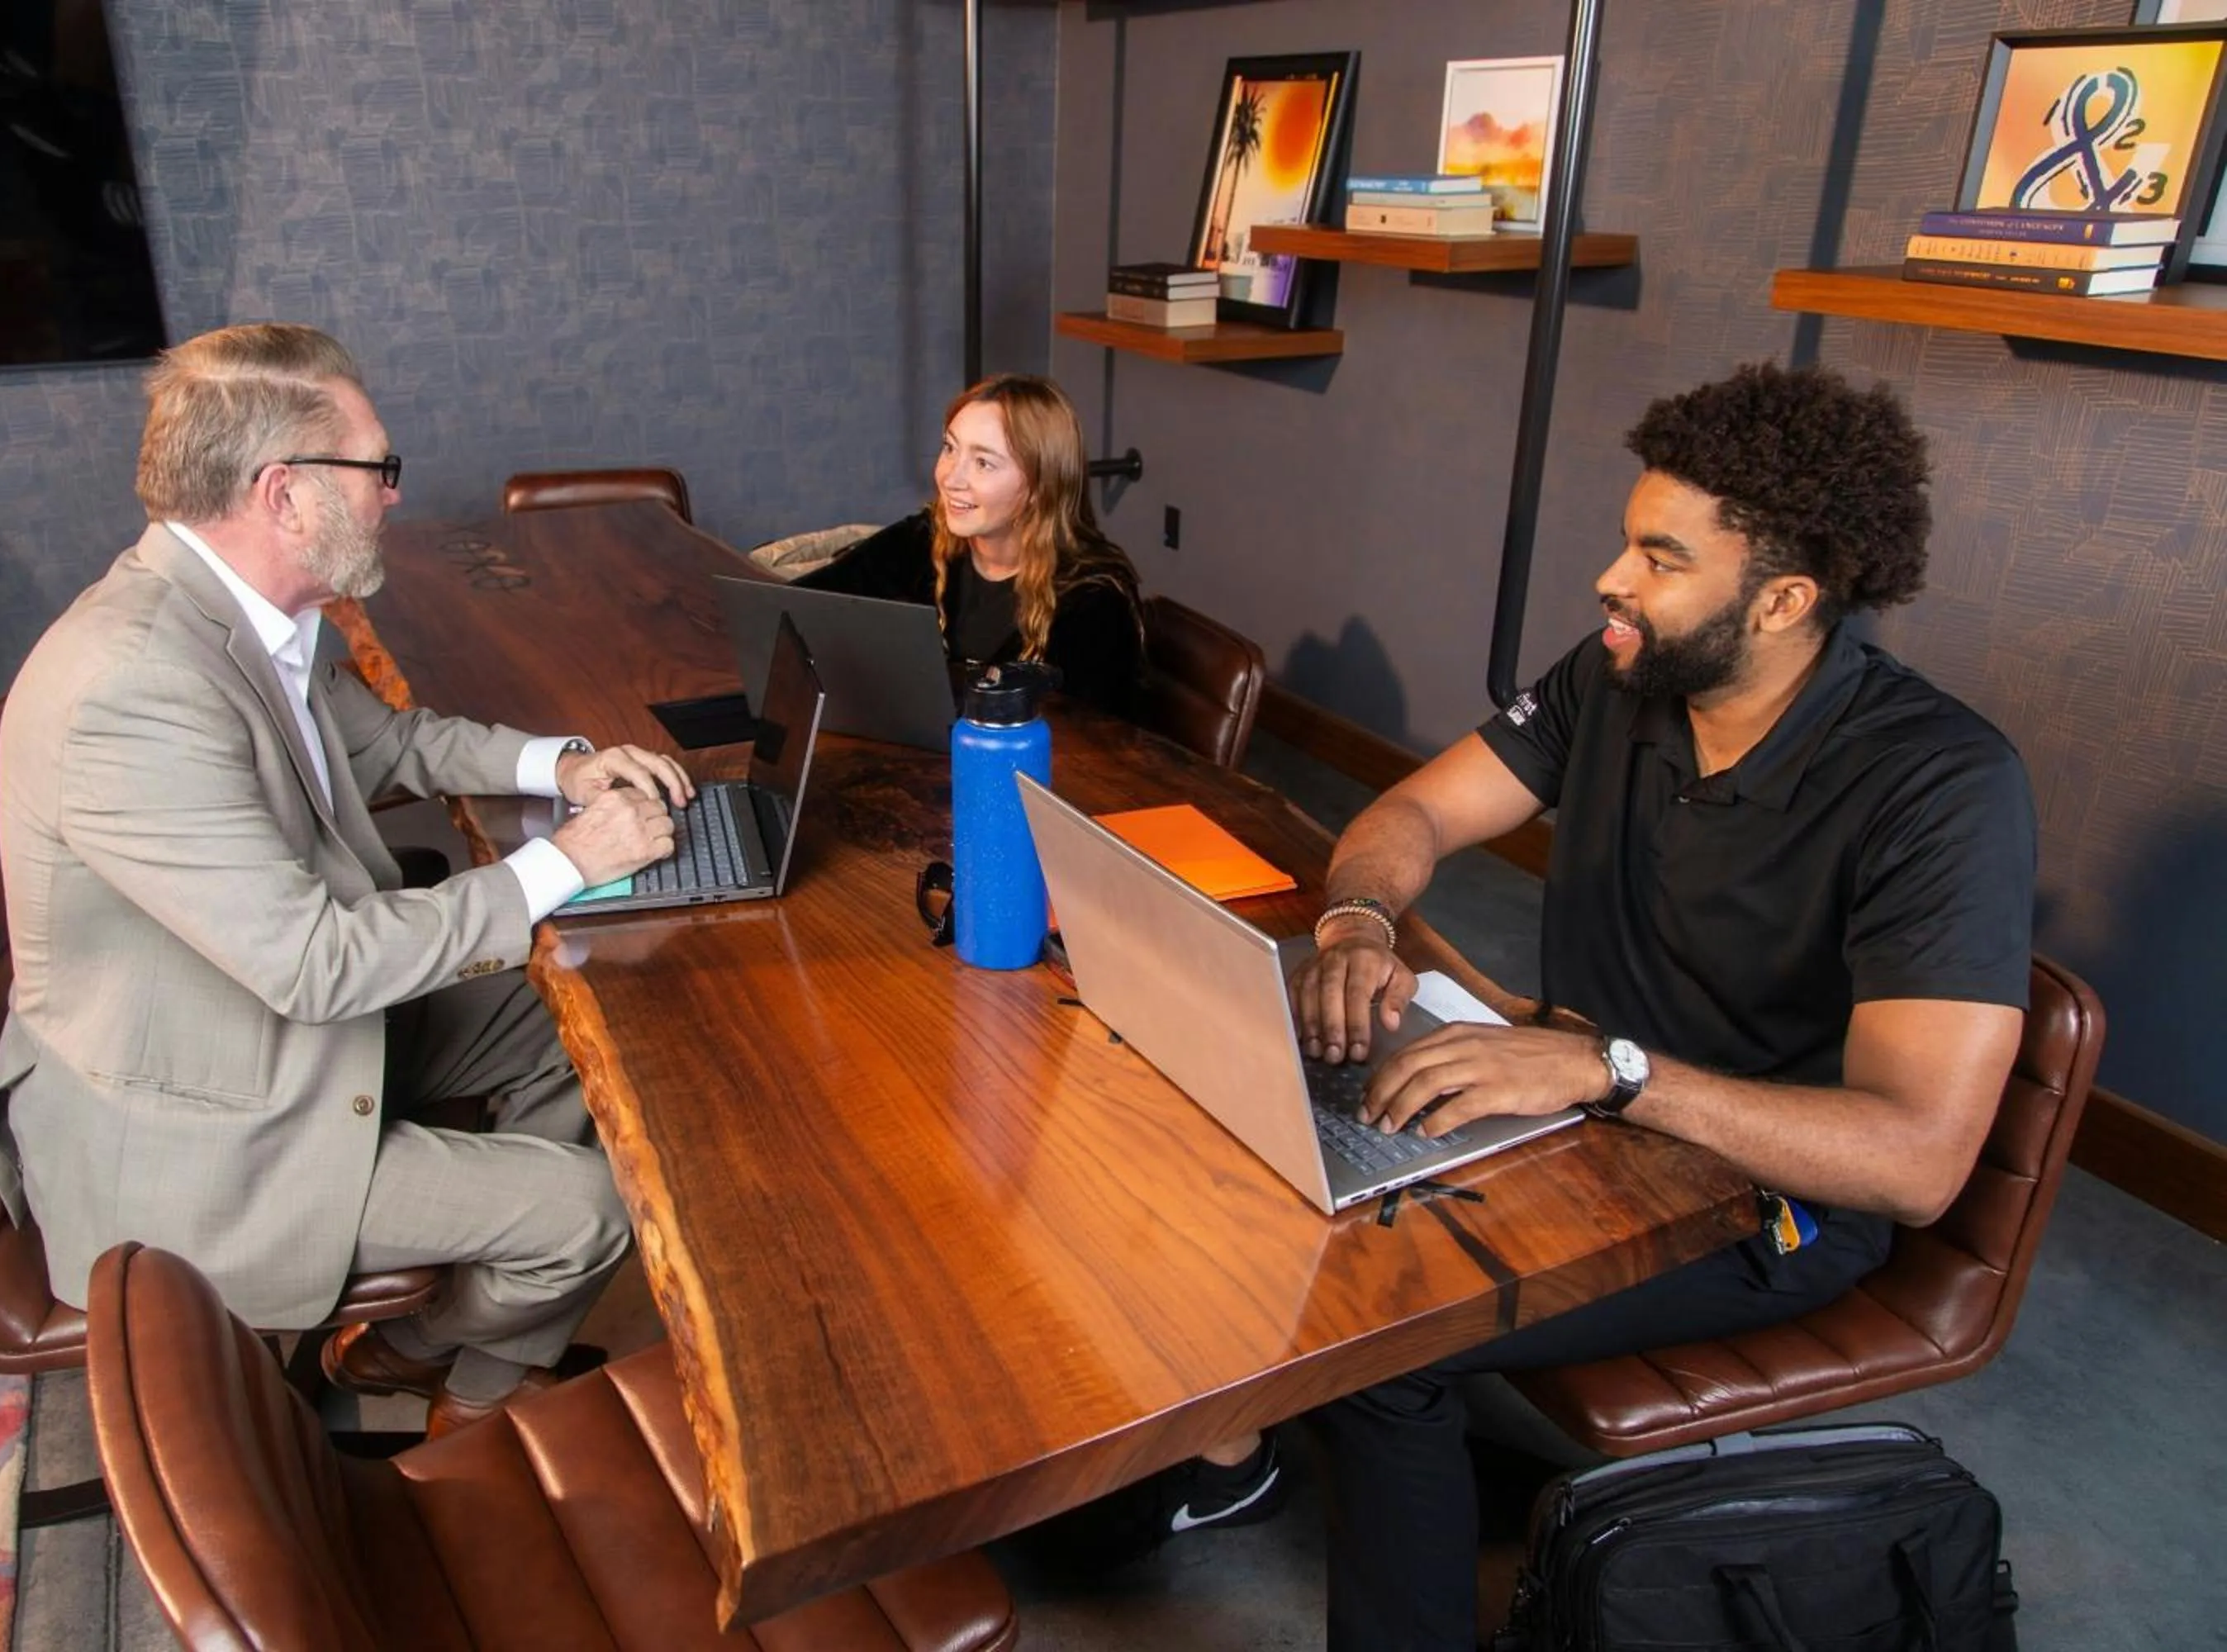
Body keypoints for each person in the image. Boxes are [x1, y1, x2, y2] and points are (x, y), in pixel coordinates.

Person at [1162, 362, 2037, 1649]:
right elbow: (1411, 813)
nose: (1612, 580)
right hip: (1575, 1101)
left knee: (1377, 1335)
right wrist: (1355, 919)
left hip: (1760, 1198)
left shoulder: (1943, 789)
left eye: (1660, 558)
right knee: (1240, 1121)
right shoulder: (1616, 677)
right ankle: (1242, 1458)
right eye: (1629, 543)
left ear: (1786, 600)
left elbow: (1912, 1162)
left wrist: (1609, 1072)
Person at [0, 323, 696, 1438]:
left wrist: (567, 765)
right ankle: (476, 1387)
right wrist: (571, 859)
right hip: (199, 1139)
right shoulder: (132, 688)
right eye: (377, 470)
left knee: (583, 1004)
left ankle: (426, 1346)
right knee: (592, 1213)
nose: (394, 496)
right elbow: (313, 966)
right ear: (284, 492)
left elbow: (396, 744)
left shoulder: (246, 618)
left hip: (274, 1037)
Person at [795, 373, 1146, 716]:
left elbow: (1089, 749)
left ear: (1041, 487)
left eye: (983, 463)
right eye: (949, 448)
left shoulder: (1095, 600)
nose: (951, 477)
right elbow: (797, 608)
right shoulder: (925, 539)